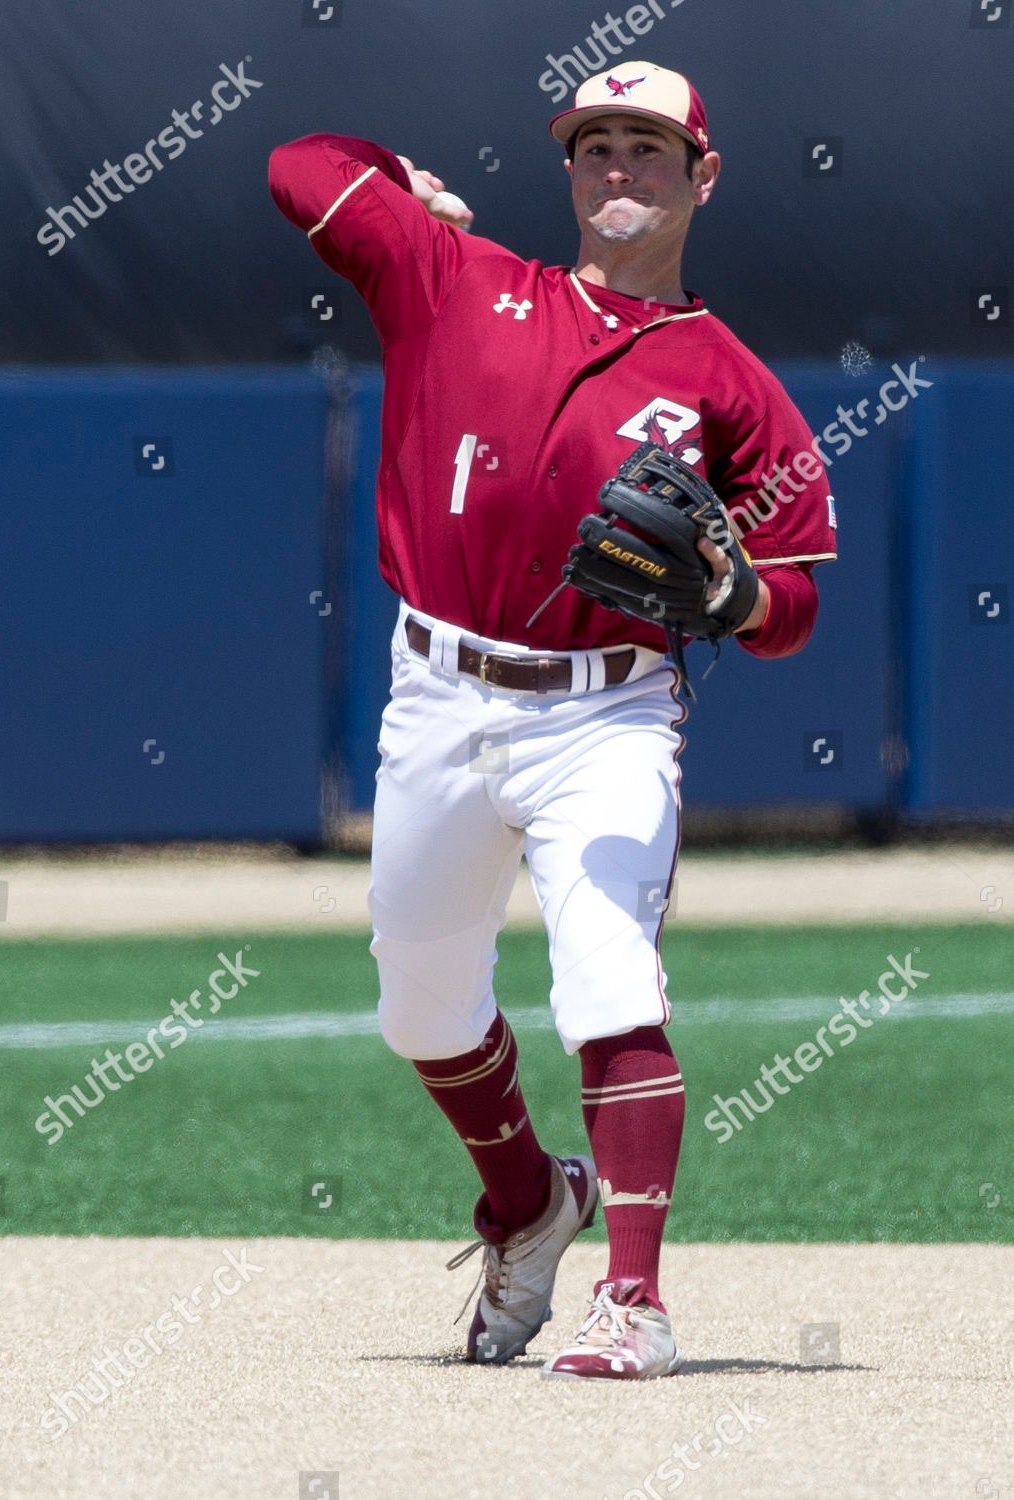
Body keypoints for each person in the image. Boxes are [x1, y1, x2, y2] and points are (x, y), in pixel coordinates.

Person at [268, 60, 836, 1381]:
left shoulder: (728, 382)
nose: (617, 168)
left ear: (701, 176)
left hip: (607, 716)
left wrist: (743, 594)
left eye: (647, 147)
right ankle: (528, 1197)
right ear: (566, 170)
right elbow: (298, 163)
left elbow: (799, 596)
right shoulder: (453, 280)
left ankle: (632, 1301)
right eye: (593, 147)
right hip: (438, 694)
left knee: (608, 985)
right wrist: (397, 183)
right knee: (418, 1007)